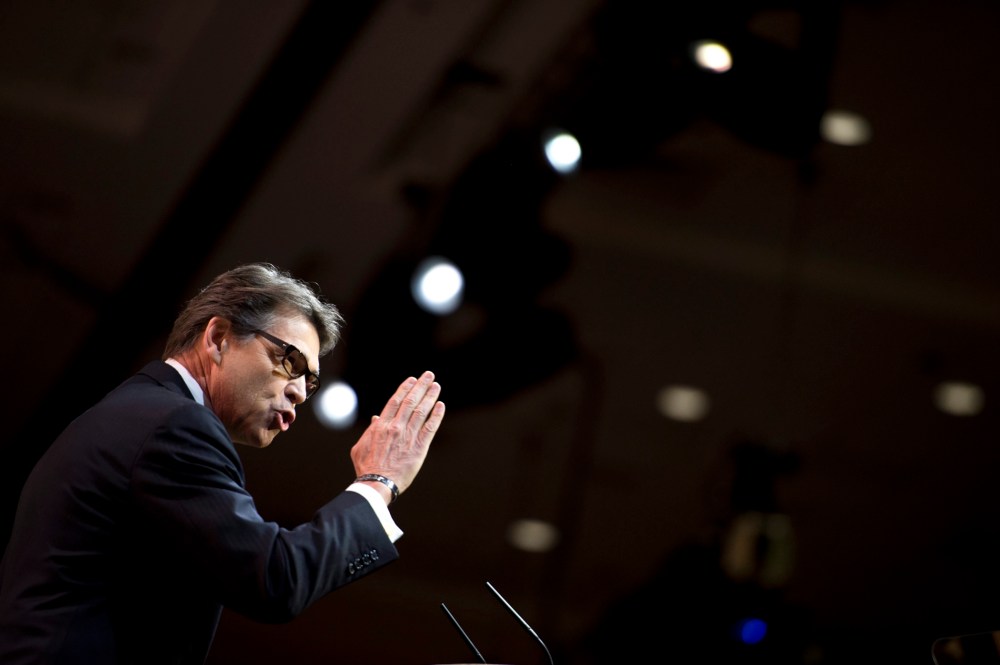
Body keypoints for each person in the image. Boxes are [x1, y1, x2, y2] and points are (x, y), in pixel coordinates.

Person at [0, 262, 446, 664]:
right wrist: (378, 481)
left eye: (310, 383)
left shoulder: (141, 413)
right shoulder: (172, 425)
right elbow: (276, 577)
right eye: (289, 361)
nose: (299, 392)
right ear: (218, 339)